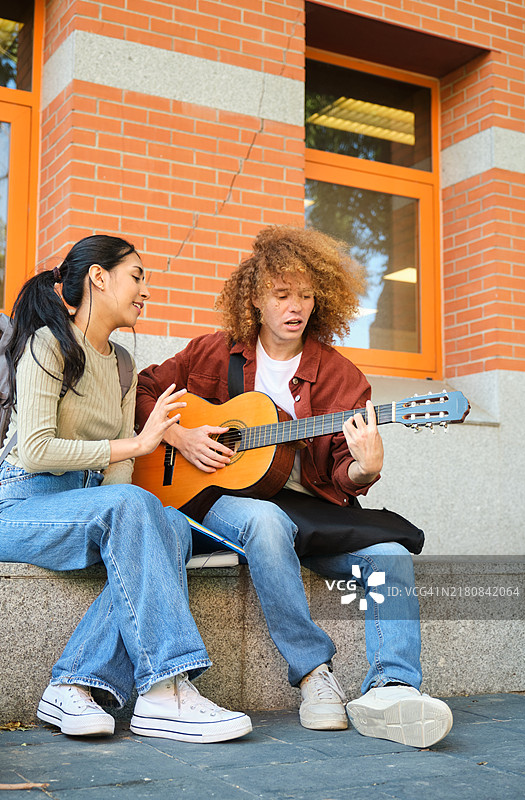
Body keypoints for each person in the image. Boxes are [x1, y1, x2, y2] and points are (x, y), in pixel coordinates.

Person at [135, 225, 453, 748]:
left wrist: (366, 469)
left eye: (306, 296)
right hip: (221, 502)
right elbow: (146, 389)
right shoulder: (213, 354)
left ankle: (392, 689)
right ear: (255, 300)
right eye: (283, 295)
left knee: (392, 554)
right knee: (265, 519)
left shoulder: (341, 377)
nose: (296, 307)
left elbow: (347, 470)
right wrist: (179, 435)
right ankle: (313, 674)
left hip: (315, 513)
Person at [0, 234, 252, 744]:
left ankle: (71, 685)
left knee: (174, 526)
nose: (145, 291)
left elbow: (117, 483)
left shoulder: (121, 365)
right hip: (21, 503)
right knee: (138, 506)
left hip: (86, 500)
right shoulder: (48, 346)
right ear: (99, 277)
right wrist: (137, 445)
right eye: (136, 276)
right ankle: (163, 687)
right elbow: (36, 451)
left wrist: (130, 458)